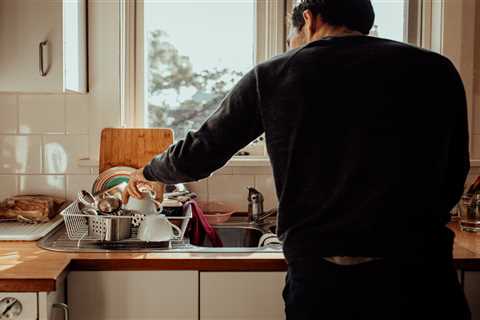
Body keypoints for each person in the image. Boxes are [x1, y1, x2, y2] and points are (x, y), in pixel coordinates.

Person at [123, 0, 471, 318]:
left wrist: (150, 171)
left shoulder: (274, 74)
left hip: (324, 282)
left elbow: (201, 153)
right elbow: (455, 172)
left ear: (309, 19)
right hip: (421, 275)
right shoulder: (435, 69)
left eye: (292, 34)